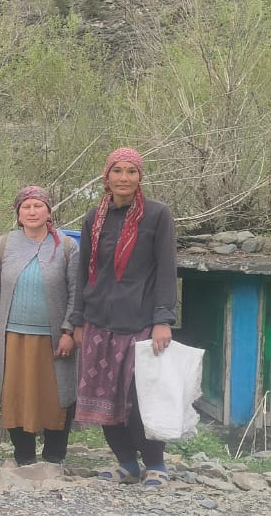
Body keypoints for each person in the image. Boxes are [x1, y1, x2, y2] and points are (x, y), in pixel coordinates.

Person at [71, 148, 178, 488]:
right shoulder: (94, 218)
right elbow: (84, 273)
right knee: (103, 397)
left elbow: (166, 270)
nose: (124, 178)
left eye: (131, 171)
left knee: (139, 398)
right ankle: (127, 464)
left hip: (141, 323)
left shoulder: (158, 216)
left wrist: (163, 319)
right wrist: (77, 320)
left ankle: (156, 465)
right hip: (99, 321)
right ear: (107, 176)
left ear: (140, 178)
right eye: (118, 170)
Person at [0, 186, 80, 466]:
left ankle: (54, 457)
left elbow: (77, 292)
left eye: (37, 206)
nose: (32, 211)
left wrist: (69, 330)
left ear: (48, 211)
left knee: (56, 395)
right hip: (12, 335)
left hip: (52, 338)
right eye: (26, 207)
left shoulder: (66, 246)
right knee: (15, 395)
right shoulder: (5, 244)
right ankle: (24, 457)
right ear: (18, 214)